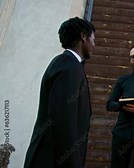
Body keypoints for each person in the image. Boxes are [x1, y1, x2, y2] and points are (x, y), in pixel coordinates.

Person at [24, 17, 95, 168]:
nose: (93, 45)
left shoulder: (65, 63)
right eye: (93, 39)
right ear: (83, 36)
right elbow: (64, 122)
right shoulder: (70, 67)